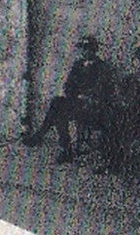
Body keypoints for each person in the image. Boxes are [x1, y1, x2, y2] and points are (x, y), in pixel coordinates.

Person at [24, 36, 118, 167]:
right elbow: (68, 86)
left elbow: (102, 90)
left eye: (89, 49)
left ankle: (48, 140)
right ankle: (63, 146)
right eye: (83, 49)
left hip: (93, 107)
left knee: (59, 112)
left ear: (94, 50)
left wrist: (87, 96)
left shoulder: (102, 67)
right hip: (77, 103)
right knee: (57, 103)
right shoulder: (77, 65)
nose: (85, 52)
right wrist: (75, 95)